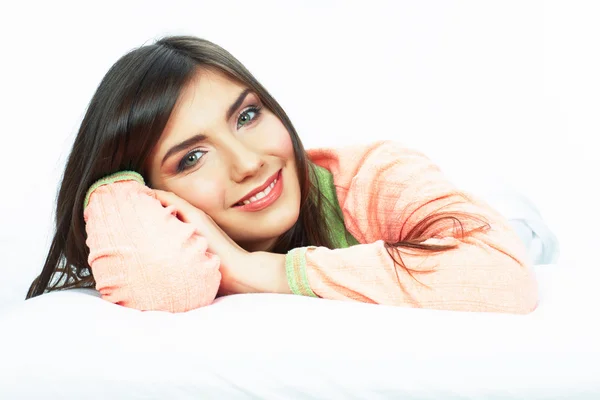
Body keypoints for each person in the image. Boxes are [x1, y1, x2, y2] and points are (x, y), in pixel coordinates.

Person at [26, 35, 538, 314]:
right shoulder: (162, 240)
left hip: (495, 221)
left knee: (527, 232)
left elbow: (505, 278)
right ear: (153, 196)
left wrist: (253, 270)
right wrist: (107, 186)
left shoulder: (373, 175)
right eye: (191, 157)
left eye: (247, 116)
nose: (249, 162)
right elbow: (166, 288)